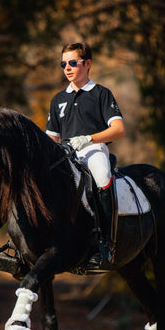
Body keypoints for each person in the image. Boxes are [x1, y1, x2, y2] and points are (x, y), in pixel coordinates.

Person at [46, 42, 126, 268]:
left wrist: (89, 138)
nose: (67, 68)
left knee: (101, 177)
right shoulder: (57, 99)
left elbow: (119, 129)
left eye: (73, 63)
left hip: (93, 149)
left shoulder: (101, 93)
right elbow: (51, 138)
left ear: (88, 64)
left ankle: (107, 243)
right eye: (64, 64)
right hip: (65, 154)